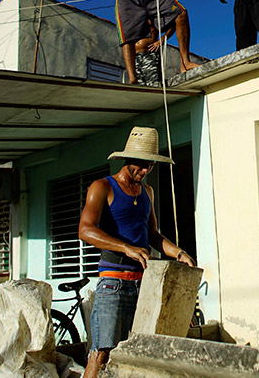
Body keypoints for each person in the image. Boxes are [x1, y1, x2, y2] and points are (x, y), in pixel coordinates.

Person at [78, 126, 196, 378]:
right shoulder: (102, 187)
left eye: (150, 166)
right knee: (102, 353)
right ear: (127, 158)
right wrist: (126, 248)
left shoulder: (147, 193)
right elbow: (85, 230)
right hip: (113, 284)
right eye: (141, 165)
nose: (145, 170)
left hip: (143, 285)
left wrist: (179, 253)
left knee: (137, 354)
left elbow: (153, 235)